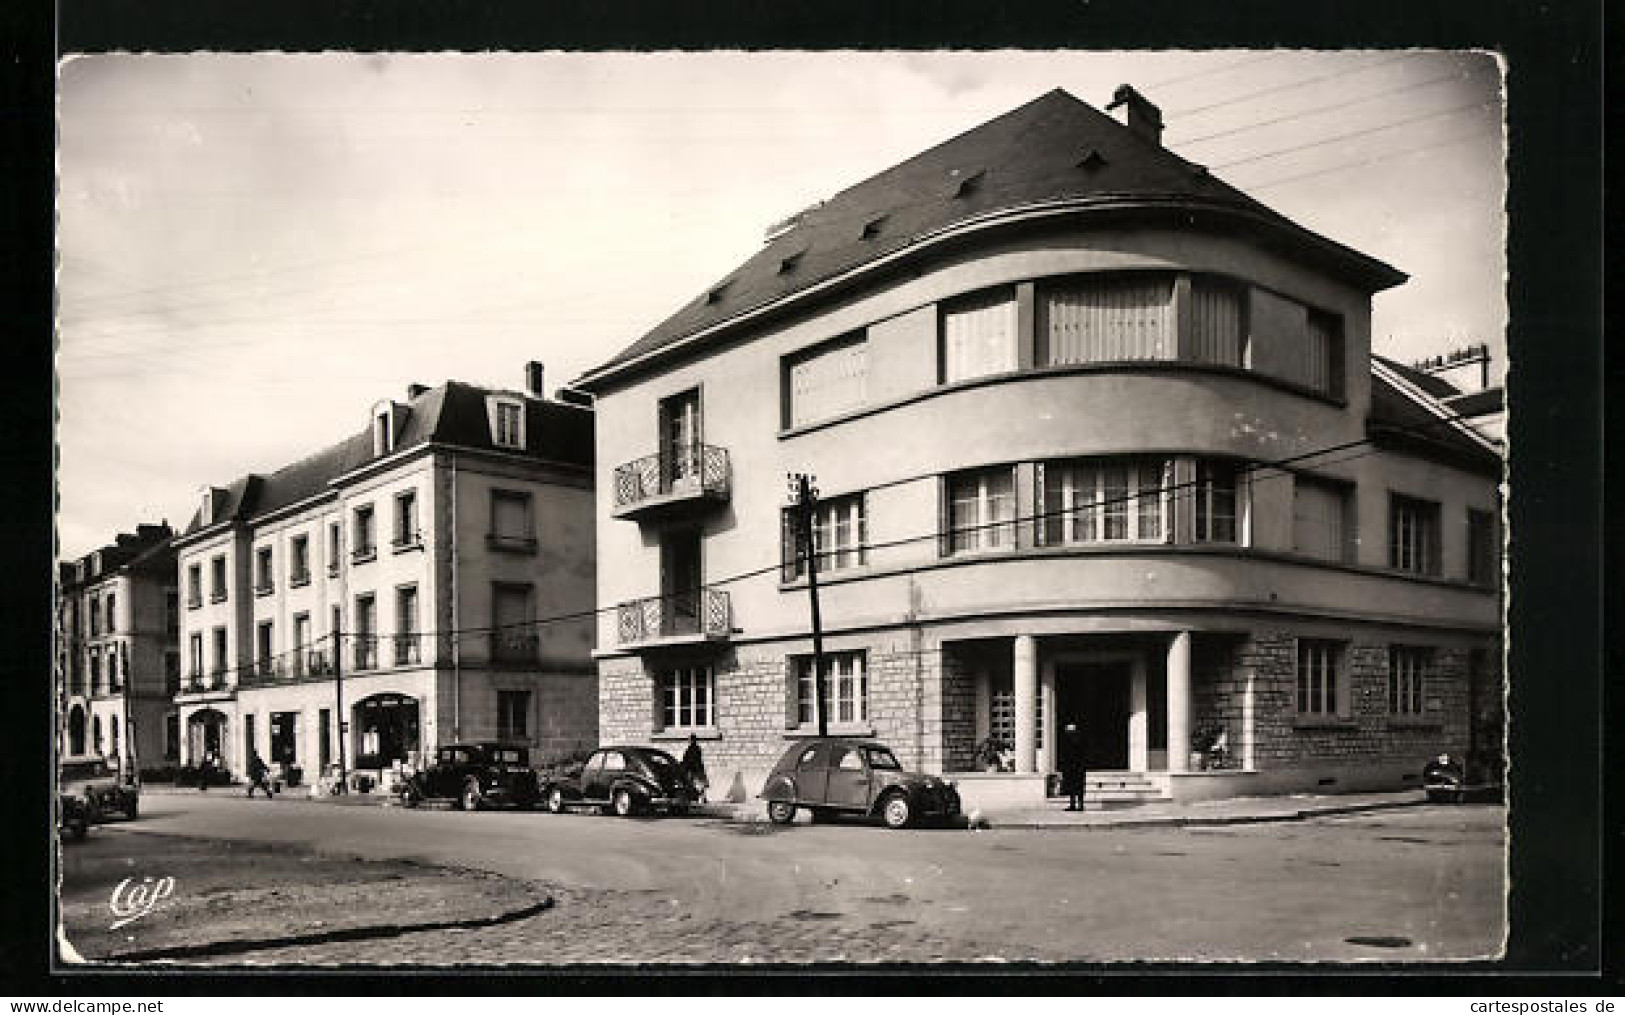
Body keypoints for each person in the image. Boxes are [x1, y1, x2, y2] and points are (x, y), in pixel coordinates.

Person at [1060, 721, 1088, 811]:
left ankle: (1076, 805)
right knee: (1076, 786)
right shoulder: (1079, 740)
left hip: (1074, 767)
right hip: (1076, 767)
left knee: (1074, 786)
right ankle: (1077, 805)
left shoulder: (1070, 742)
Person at [680, 733, 709, 803]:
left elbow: (687, 760)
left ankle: (696, 798)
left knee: (693, 784)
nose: (689, 741)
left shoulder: (690, 749)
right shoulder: (697, 749)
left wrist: (683, 766)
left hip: (693, 769)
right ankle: (702, 798)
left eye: (690, 740)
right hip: (698, 768)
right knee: (700, 784)